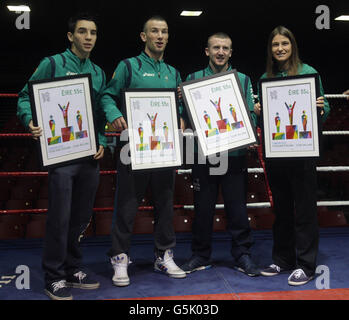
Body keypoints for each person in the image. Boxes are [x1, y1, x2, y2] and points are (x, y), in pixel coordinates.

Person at [17, 13, 115, 300]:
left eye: (93, 33)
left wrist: (100, 142)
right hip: (60, 155)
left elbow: (98, 115)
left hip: (88, 155)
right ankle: (53, 275)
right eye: (82, 32)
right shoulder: (52, 63)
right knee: (59, 217)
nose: (88, 37)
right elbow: (25, 96)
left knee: (81, 217)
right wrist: (28, 121)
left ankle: (73, 268)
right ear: (70, 36)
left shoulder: (97, 72)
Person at [101, 15, 187, 287]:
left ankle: (163, 255)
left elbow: (180, 106)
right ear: (143, 36)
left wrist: (183, 118)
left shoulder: (173, 72)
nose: (160, 36)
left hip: (164, 148)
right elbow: (106, 95)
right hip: (134, 148)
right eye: (154, 31)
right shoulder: (128, 66)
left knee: (165, 203)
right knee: (127, 205)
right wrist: (114, 114)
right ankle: (119, 257)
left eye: (164, 31)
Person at [254, 26, 330, 286]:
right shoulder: (265, 77)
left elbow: (325, 109)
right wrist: (258, 111)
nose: (280, 49)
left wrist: (320, 108)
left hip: (304, 154)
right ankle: (283, 259)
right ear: (270, 49)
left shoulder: (309, 73)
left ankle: (306, 265)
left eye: (284, 43)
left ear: (292, 46)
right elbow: (264, 120)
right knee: (282, 209)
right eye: (275, 44)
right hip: (278, 154)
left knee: (306, 209)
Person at [180, 32, 260, 277]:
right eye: (216, 47)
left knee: (237, 209)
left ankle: (242, 255)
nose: (221, 52)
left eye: (225, 48)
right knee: (202, 209)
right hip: (203, 155)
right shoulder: (192, 79)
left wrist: (250, 133)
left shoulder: (243, 80)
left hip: (234, 154)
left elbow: (250, 112)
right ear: (207, 51)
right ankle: (200, 255)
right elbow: (184, 112)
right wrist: (182, 117)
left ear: (231, 52)